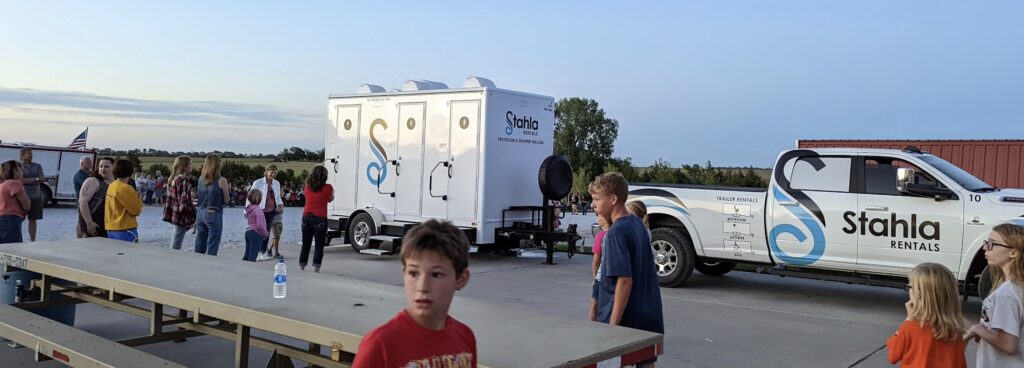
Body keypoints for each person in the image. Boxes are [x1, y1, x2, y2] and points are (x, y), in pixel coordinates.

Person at [352, 219, 476, 367]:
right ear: (404, 273)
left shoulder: (465, 337)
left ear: (461, 279)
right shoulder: (380, 345)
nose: (422, 287)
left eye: (436, 274)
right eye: (413, 273)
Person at [588, 172, 663, 368]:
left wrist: (613, 328)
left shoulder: (616, 232)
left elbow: (624, 281)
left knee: (608, 364)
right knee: (646, 363)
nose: (592, 205)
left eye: (596, 199)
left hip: (625, 320)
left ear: (613, 199)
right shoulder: (637, 223)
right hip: (648, 314)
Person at [885, 263, 967, 367]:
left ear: (919, 295)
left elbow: (893, 356)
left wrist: (909, 318)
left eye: (910, 287)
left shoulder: (910, 327)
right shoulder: (956, 327)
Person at [965, 223, 1024, 366]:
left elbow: (1008, 345)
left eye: (992, 244)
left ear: (1013, 253)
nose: (985, 248)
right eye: (986, 242)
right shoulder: (1014, 288)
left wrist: (978, 329)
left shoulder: (1007, 294)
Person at [299, 165, 334, 272]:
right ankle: (316, 269)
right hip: (320, 218)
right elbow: (330, 199)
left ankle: (302, 267)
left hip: (306, 217)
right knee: (319, 246)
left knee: (306, 244)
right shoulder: (328, 187)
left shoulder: (307, 187)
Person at [194, 155, 229, 256]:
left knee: (200, 241)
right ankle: (210, 262)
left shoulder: (201, 178)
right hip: (213, 212)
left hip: (200, 211)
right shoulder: (222, 180)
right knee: (213, 243)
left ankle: (196, 261)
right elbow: (227, 200)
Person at [248, 165, 283, 261]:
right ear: (266, 172)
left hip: (271, 211)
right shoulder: (258, 182)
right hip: (259, 210)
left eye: (275, 173)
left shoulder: (277, 183)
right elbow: (250, 196)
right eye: (271, 172)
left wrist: (280, 205)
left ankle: (262, 253)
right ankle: (255, 252)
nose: (273, 174)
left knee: (266, 232)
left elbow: (278, 197)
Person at [105, 159, 143, 243]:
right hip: (125, 229)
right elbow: (136, 211)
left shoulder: (112, 185)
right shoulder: (126, 188)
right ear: (130, 172)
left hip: (111, 228)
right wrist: (139, 201)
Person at [163, 156, 196, 250]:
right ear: (185, 166)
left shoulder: (174, 178)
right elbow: (183, 201)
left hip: (175, 212)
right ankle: (172, 257)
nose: (191, 166)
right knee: (177, 240)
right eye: (190, 164)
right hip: (181, 214)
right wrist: (190, 216)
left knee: (176, 237)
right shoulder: (183, 179)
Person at [78, 157, 114, 239]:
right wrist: (89, 222)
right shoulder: (92, 181)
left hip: (109, 225)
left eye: (106, 166)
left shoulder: (116, 183)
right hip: (94, 223)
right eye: (101, 166)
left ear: (113, 168)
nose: (103, 169)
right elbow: (83, 202)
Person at [0, 161, 30, 244]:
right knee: (13, 247)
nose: (22, 173)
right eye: (21, 170)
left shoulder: (2, 184)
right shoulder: (14, 184)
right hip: (10, 219)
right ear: (15, 170)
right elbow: (26, 205)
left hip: (1, 217)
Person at [19, 148, 45, 242]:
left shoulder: (37, 166)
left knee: (33, 219)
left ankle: (32, 240)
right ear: (22, 155)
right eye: (28, 154)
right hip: (23, 197)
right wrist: (36, 179)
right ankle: (18, 239)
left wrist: (32, 180)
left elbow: (42, 178)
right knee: (19, 219)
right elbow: (20, 181)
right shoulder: (19, 167)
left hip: (36, 197)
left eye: (31, 154)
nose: (31, 155)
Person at [589, 215, 610, 321]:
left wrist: (594, 278)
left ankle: (592, 324)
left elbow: (596, 261)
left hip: (601, 276)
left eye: (599, 217)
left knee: (594, 304)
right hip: (614, 276)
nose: (597, 219)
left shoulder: (601, 236)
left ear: (605, 220)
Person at [243, 189, 269, 262]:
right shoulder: (258, 210)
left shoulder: (249, 208)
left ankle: (243, 266)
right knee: (253, 255)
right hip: (256, 233)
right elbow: (259, 225)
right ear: (259, 199)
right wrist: (265, 233)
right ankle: (250, 267)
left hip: (248, 231)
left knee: (247, 254)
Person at [73, 156, 93, 238]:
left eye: (91, 162)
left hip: (89, 201)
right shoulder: (79, 175)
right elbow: (87, 186)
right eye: (88, 162)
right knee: (81, 221)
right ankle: (79, 238)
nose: (90, 164)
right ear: (82, 164)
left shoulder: (89, 174)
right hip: (82, 201)